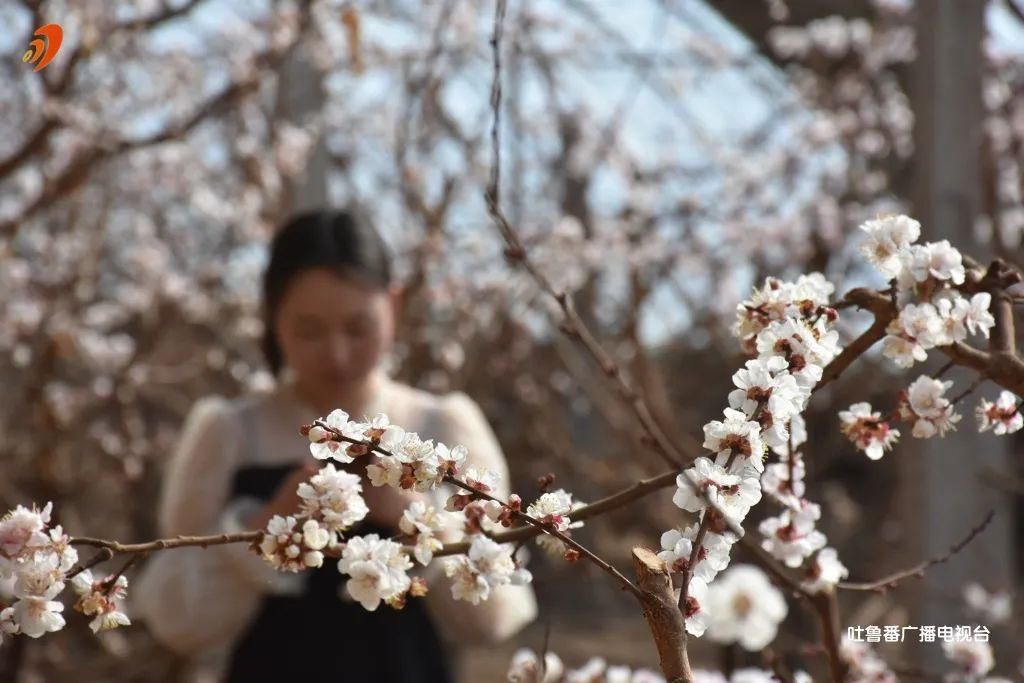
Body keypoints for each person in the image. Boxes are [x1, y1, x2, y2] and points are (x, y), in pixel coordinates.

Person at [133, 209, 537, 681]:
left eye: (358, 327)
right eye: (309, 331)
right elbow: (178, 624)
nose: (336, 353)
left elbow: (493, 619)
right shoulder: (229, 431)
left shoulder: (441, 426)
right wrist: (264, 532)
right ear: (271, 316)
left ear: (394, 305)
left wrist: (416, 518)